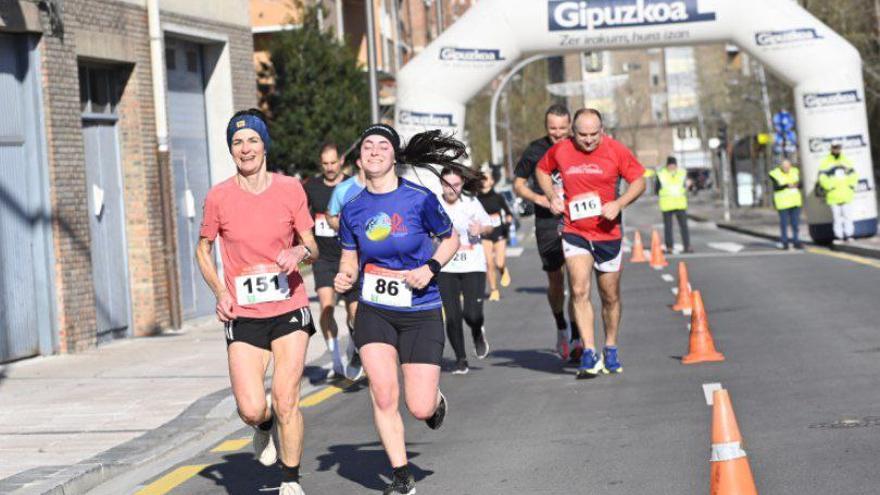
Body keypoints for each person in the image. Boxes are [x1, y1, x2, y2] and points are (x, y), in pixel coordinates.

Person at [334, 124, 478, 495]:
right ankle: (401, 477)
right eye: (368, 146)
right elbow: (350, 257)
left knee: (418, 406)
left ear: (394, 156)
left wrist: (429, 268)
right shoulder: (352, 208)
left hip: (421, 309)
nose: (375, 151)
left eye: (383, 146)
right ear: (360, 157)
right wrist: (344, 276)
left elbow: (450, 239)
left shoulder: (418, 198)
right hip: (375, 309)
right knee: (383, 394)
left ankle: (433, 403)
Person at [196, 109, 319, 495]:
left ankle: (290, 480)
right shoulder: (219, 196)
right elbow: (203, 250)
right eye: (237, 142)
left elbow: (313, 247)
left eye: (252, 140)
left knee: (286, 399)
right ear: (230, 150)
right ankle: (263, 427)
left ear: (264, 144)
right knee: (252, 408)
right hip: (244, 314)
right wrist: (221, 292)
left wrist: (298, 253)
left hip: (288, 306)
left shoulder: (290, 189)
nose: (245, 148)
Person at [536, 108, 646, 379]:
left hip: (608, 233)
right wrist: (552, 195)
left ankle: (610, 346)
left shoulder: (616, 150)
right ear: (573, 132)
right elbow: (541, 170)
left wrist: (619, 203)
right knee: (579, 288)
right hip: (575, 230)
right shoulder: (561, 150)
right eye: (582, 135)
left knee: (610, 296)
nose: (587, 140)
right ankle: (588, 351)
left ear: (602, 130)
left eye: (593, 134)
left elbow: (639, 181)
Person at [513, 104, 582, 362]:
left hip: (576, 220)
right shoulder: (535, 150)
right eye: (553, 129)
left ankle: (577, 336)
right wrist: (539, 199)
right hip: (547, 223)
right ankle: (561, 327)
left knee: (578, 280)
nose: (558, 133)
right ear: (546, 127)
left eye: (563, 129)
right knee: (557, 281)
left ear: (570, 127)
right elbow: (518, 185)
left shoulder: (579, 146)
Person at [304, 143, 357, 377]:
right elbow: (302, 218)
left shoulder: (352, 186)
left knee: (354, 312)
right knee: (326, 308)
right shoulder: (311, 187)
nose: (329, 168)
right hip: (324, 259)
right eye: (325, 164)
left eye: (333, 163)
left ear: (341, 161)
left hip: (350, 258)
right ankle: (335, 358)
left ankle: (353, 346)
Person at [438, 167, 493, 375]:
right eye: (446, 184)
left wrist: (481, 229)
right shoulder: (435, 205)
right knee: (452, 316)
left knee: (472, 314)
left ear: (461, 185)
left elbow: (489, 225)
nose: (451, 189)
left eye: (456, 185)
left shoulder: (471, 203)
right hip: (445, 266)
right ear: (441, 184)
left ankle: (477, 331)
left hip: (472, 263)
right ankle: (461, 359)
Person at [326, 158, 366, 379]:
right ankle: (358, 344)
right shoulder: (344, 189)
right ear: (359, 161)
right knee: (354, 313)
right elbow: (331, 216)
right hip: (351, 258)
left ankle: (363, 344)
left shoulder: (386, 187)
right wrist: (342, 226)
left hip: (377, 263)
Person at [477, 171, 514, 301]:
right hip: (485, 233)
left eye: (486, 178)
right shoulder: (476, 198)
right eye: (481, 179)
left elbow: (509, 213)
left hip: (499, 232)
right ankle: (494, 290)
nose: (483, 181)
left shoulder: (498, 197)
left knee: (499, 263)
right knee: (489, 263)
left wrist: (508, 223)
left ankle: (503, 269)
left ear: (492, 181)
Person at [818, 142, 859, 242]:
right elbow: (822, 177)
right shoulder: (825, 162)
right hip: (833, 195)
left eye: (838, 147)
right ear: (831, 148)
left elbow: (853, 175)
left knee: (847, 216)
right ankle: (838, 236)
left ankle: (849, 235)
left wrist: (850, 186)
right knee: (837, 218)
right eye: (834, 148)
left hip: (846, 194)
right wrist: (830, 187)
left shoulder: (846, 160)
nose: (836, 149)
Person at [656, 156, 693, 253]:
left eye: (674, 165)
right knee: (668, 227)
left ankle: (687, 246)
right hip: (667, 204)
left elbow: (688, 186)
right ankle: (669, 247)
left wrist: (690, 186)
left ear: (676, 165)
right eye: (670, 165)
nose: (672, 167)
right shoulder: (661, 174)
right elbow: (657, 189)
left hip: (680, 204)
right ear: (667, 165)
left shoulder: (682, 173)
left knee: (684, 226)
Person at [768, 158, 803, 250]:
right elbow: (776, 187)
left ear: (790, 166)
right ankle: (785, 242)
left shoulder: (795, 172)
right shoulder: (775, 174)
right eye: (784, 166)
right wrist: (787, 185)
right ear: (781, 166)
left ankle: (796, 241)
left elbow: (801, 184)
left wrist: (796, 185)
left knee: (795, 224)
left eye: (787, 166)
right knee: (784, 224)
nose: (786, 168)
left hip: (795, 202)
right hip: (783, 203)